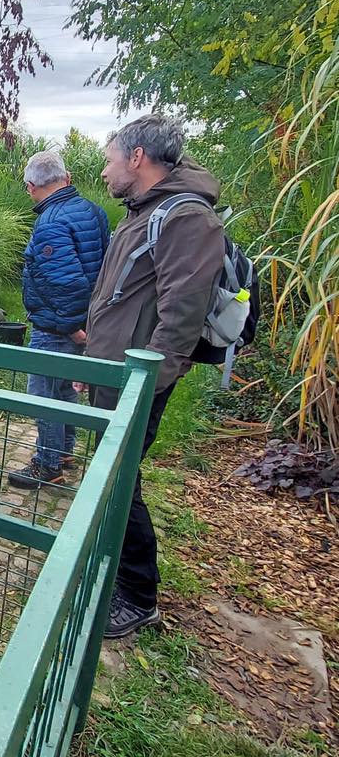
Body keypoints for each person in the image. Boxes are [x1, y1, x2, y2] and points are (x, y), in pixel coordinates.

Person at [84, 115, 226, 639]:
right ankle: (111, 568)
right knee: (110, 476)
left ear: (138, 158)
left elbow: (180, 319)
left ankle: (138, 595)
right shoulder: (142, 212)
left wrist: (143, 386)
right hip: (113, 370)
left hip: (137, 381)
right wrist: (93, 360)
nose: (105, 171)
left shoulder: (185, 219)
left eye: (110, 160)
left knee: (121, 481)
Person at [7, 149, 110, 489]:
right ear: (67, 178)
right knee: (65, 388)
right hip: (87, 317)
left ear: (30, 186)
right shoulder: (93, 211)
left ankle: (47, 464)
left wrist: (72, 326)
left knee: (43, 393)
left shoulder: (50, 223)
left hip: (57, 325)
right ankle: (64, 450)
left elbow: (66, 282)